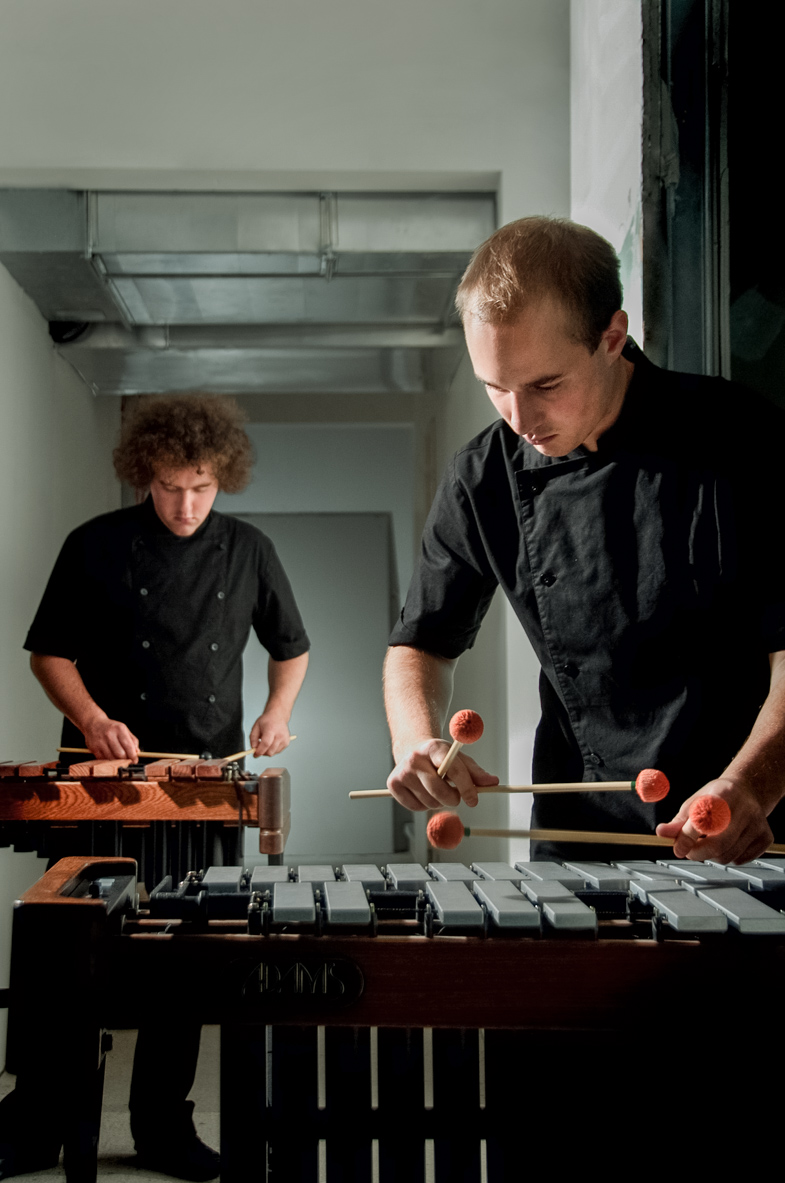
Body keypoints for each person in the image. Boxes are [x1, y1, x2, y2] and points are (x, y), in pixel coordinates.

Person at [384, 216, 785, 867]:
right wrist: (416, 740)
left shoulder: (741, 438)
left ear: (611, 337)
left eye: (544, 386)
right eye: (495, 388)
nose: (519, 420)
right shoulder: (482, 474)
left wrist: (751, 787)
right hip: (580, 831)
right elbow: (420, 644)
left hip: (747, 823)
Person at [1, 395, 310, 1181]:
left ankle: (162, 1128)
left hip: (201, 788)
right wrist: (94, 719)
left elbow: (290, 648)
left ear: (222, 479)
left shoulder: (249, 549)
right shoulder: (94, 545)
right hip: (100, 785)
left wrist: (276, 713)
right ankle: (36, 1120)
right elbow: (49, 654)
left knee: (184, 957)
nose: (185, 504)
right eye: (172, 486)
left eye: (201, 486)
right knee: (66, 954)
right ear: (146, 473)